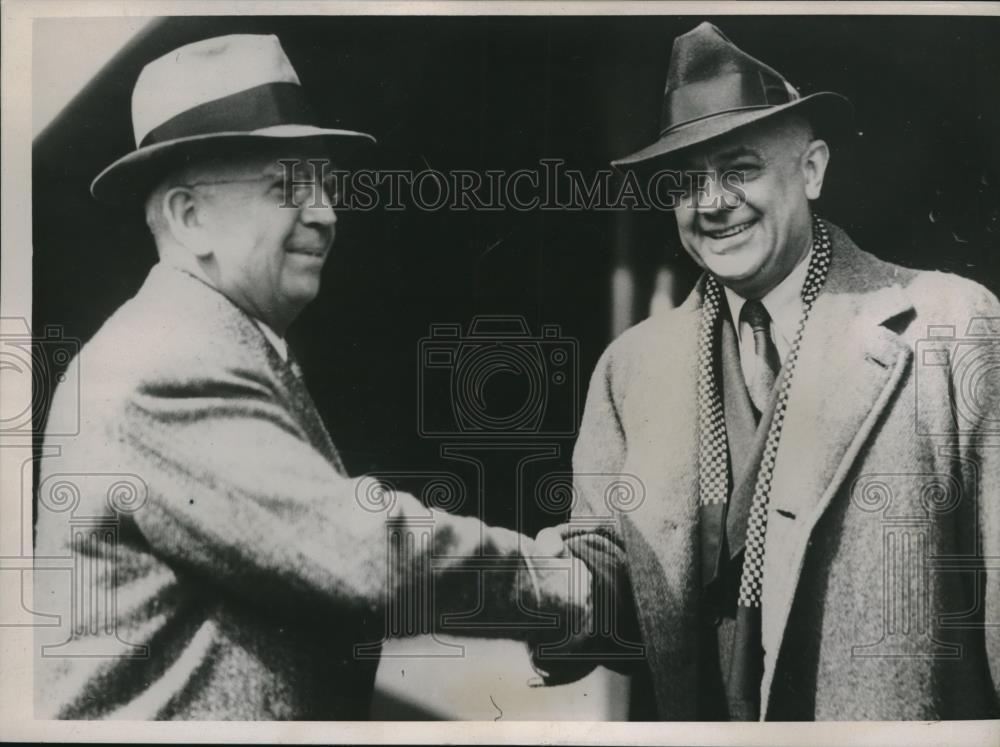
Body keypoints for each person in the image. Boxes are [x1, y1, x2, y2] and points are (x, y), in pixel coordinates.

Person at [34, 34, 589, 720]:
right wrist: (550, 577)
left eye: (324, 183)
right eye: (286, 188)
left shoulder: (214, 342)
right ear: (189, 216)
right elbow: (357, 553)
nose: (326, 212)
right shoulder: (168, 360)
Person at [534, 22, 1000, 720]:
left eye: (740, 169)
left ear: (811, 170)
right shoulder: (629, 368)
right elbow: (610, 589)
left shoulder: (951, 328)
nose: (712, 202)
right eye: (688, 181)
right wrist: (527, 582)